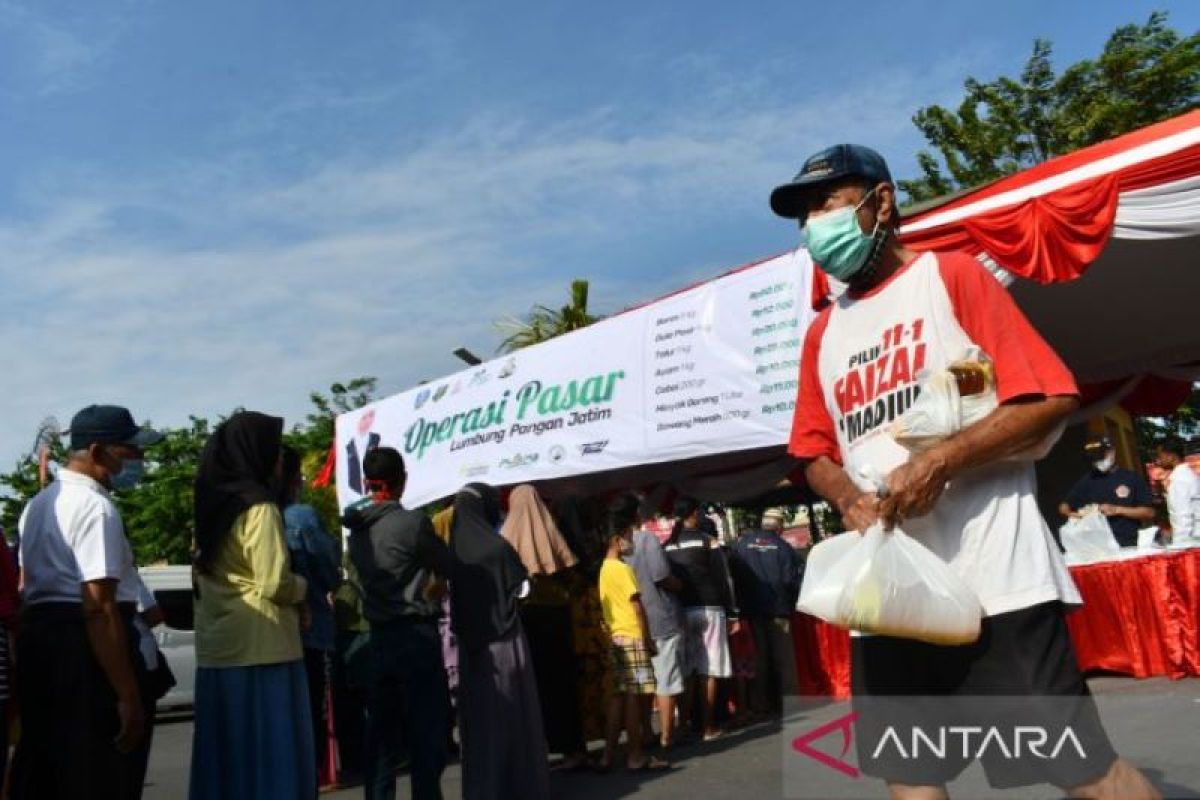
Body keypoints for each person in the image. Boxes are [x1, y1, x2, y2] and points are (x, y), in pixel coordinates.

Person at [771, 143, 1157, 798]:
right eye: (805, 215)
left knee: (1084, 771)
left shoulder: (950, 279)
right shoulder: (823, 334)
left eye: (827, 205)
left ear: (880, 202)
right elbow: (811, 451)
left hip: (994, 579)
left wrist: (943, 461)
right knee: (911, 775)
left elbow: (1050, 397)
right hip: (888, 595)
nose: (815, 227)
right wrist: (846, 498)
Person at [12, 404, 161, 800]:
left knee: (51, 770)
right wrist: (128, 696)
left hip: (41, 645)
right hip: (84, 651)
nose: (139, 461)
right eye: (129, 452)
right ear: (97, 452)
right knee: (98, 773)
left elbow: (27, 586)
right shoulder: (97, 507)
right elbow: (98, 606)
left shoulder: (37, 505)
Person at [190, 411, 315, 800]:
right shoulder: (259, 507)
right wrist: (304, 589)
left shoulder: (210, 505)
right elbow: (274, 581)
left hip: (217, 647)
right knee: (271, 758)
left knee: (228, 758)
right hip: (264, 647)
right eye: (275, 451)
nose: (279, 461)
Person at [343, 447, 451, 800]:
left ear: (367, 483)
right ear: (402, 480)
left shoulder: (356, 531)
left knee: (382, 737)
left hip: (379, 638)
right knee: (426, 732)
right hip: (415, 635)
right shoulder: (412, 523)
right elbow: (447, 564)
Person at [450, 483, 551, 800]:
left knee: (481, 724)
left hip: (471, 649)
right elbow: (522, 590)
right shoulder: (497, 548)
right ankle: (520, 786)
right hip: (505, 641)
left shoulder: (454, 551)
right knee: (513, 717)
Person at [500, 484, 591, 770]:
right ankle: (573, 749)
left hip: (527, 622)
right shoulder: (552, 531)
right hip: (558, 620)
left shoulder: (506, 537)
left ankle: (538, 752)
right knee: (563, 687)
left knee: (533, 691)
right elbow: (571, 569)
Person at [281, 445, 342, 788]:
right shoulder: (301, 516)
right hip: (310, 628)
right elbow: (329, 570)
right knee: (310, 713)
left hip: (270, 633)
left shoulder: (247, 512)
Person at [597, 494, 670, 773]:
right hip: (634, 639)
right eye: (628, 535)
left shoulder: (604, 570)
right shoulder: (623, 569)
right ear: (617, 539)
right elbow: (637, 608)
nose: (632, 541)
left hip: (616, 639)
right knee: (634, 697)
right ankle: (635, 754)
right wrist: (648, 639)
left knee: (618, 696)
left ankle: (607, 755)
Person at [662, 496, 740, 741]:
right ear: (694, 514)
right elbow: (723, 579)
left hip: (682, 611)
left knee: (688, 670)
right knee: (710, 669)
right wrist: (733, 613)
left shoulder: (667, 546)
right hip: (710, 608)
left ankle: (684, 725)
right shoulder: (709, 542)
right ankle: (708, 727)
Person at [729, 509, 802, 717]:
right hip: (778, 610)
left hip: (751, 610)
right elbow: (791, 580)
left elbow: (734, 577)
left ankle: (760, 705)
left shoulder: (741, 546)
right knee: (784, 659)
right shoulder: (783, 547)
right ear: (779, 526)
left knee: (758, 658)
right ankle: (789, 704)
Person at [628, 503, 685, 750]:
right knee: (665, 680)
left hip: (632, 625)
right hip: (659, 617)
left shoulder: (611, 547)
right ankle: (666, 736)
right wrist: (680, 586)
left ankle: (646, 733)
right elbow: (661, 575)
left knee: (642, 684)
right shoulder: (646, 540)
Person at [1059, 436, 1154, 547]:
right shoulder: (1089, 480)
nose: (1097, 462)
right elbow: (1064, 506)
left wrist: (1117, 510)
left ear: (1112, 452)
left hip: (1128, 543)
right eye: (1093, 458)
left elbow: (1149, 513)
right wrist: (1073, 514)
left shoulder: (1131, 478)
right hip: (1098, 546)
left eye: (1099, 457)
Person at [1155, 438, 1200, 541]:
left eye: (1160, 455)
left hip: (1192, 540)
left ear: (1171, 456)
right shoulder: (1187, 475)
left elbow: (1182, 517)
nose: (1158, 460)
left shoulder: (1179, 480)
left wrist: (1180, 545)